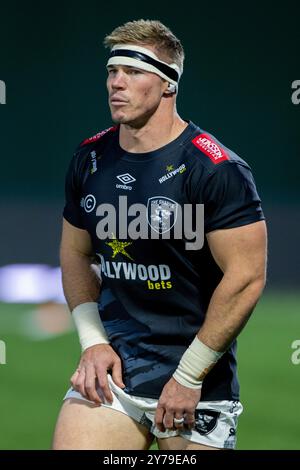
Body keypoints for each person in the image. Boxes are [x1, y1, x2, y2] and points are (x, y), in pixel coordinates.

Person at [52, 19, 267, 450]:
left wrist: (189, 377)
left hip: (197, 384)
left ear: (168, 84)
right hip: (113, 377)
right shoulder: (89, 158)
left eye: (133, 72)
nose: (117, 83)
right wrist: (93, 343)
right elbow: (75, 255)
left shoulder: (216, 168)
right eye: (113, 72)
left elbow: (245, 277)